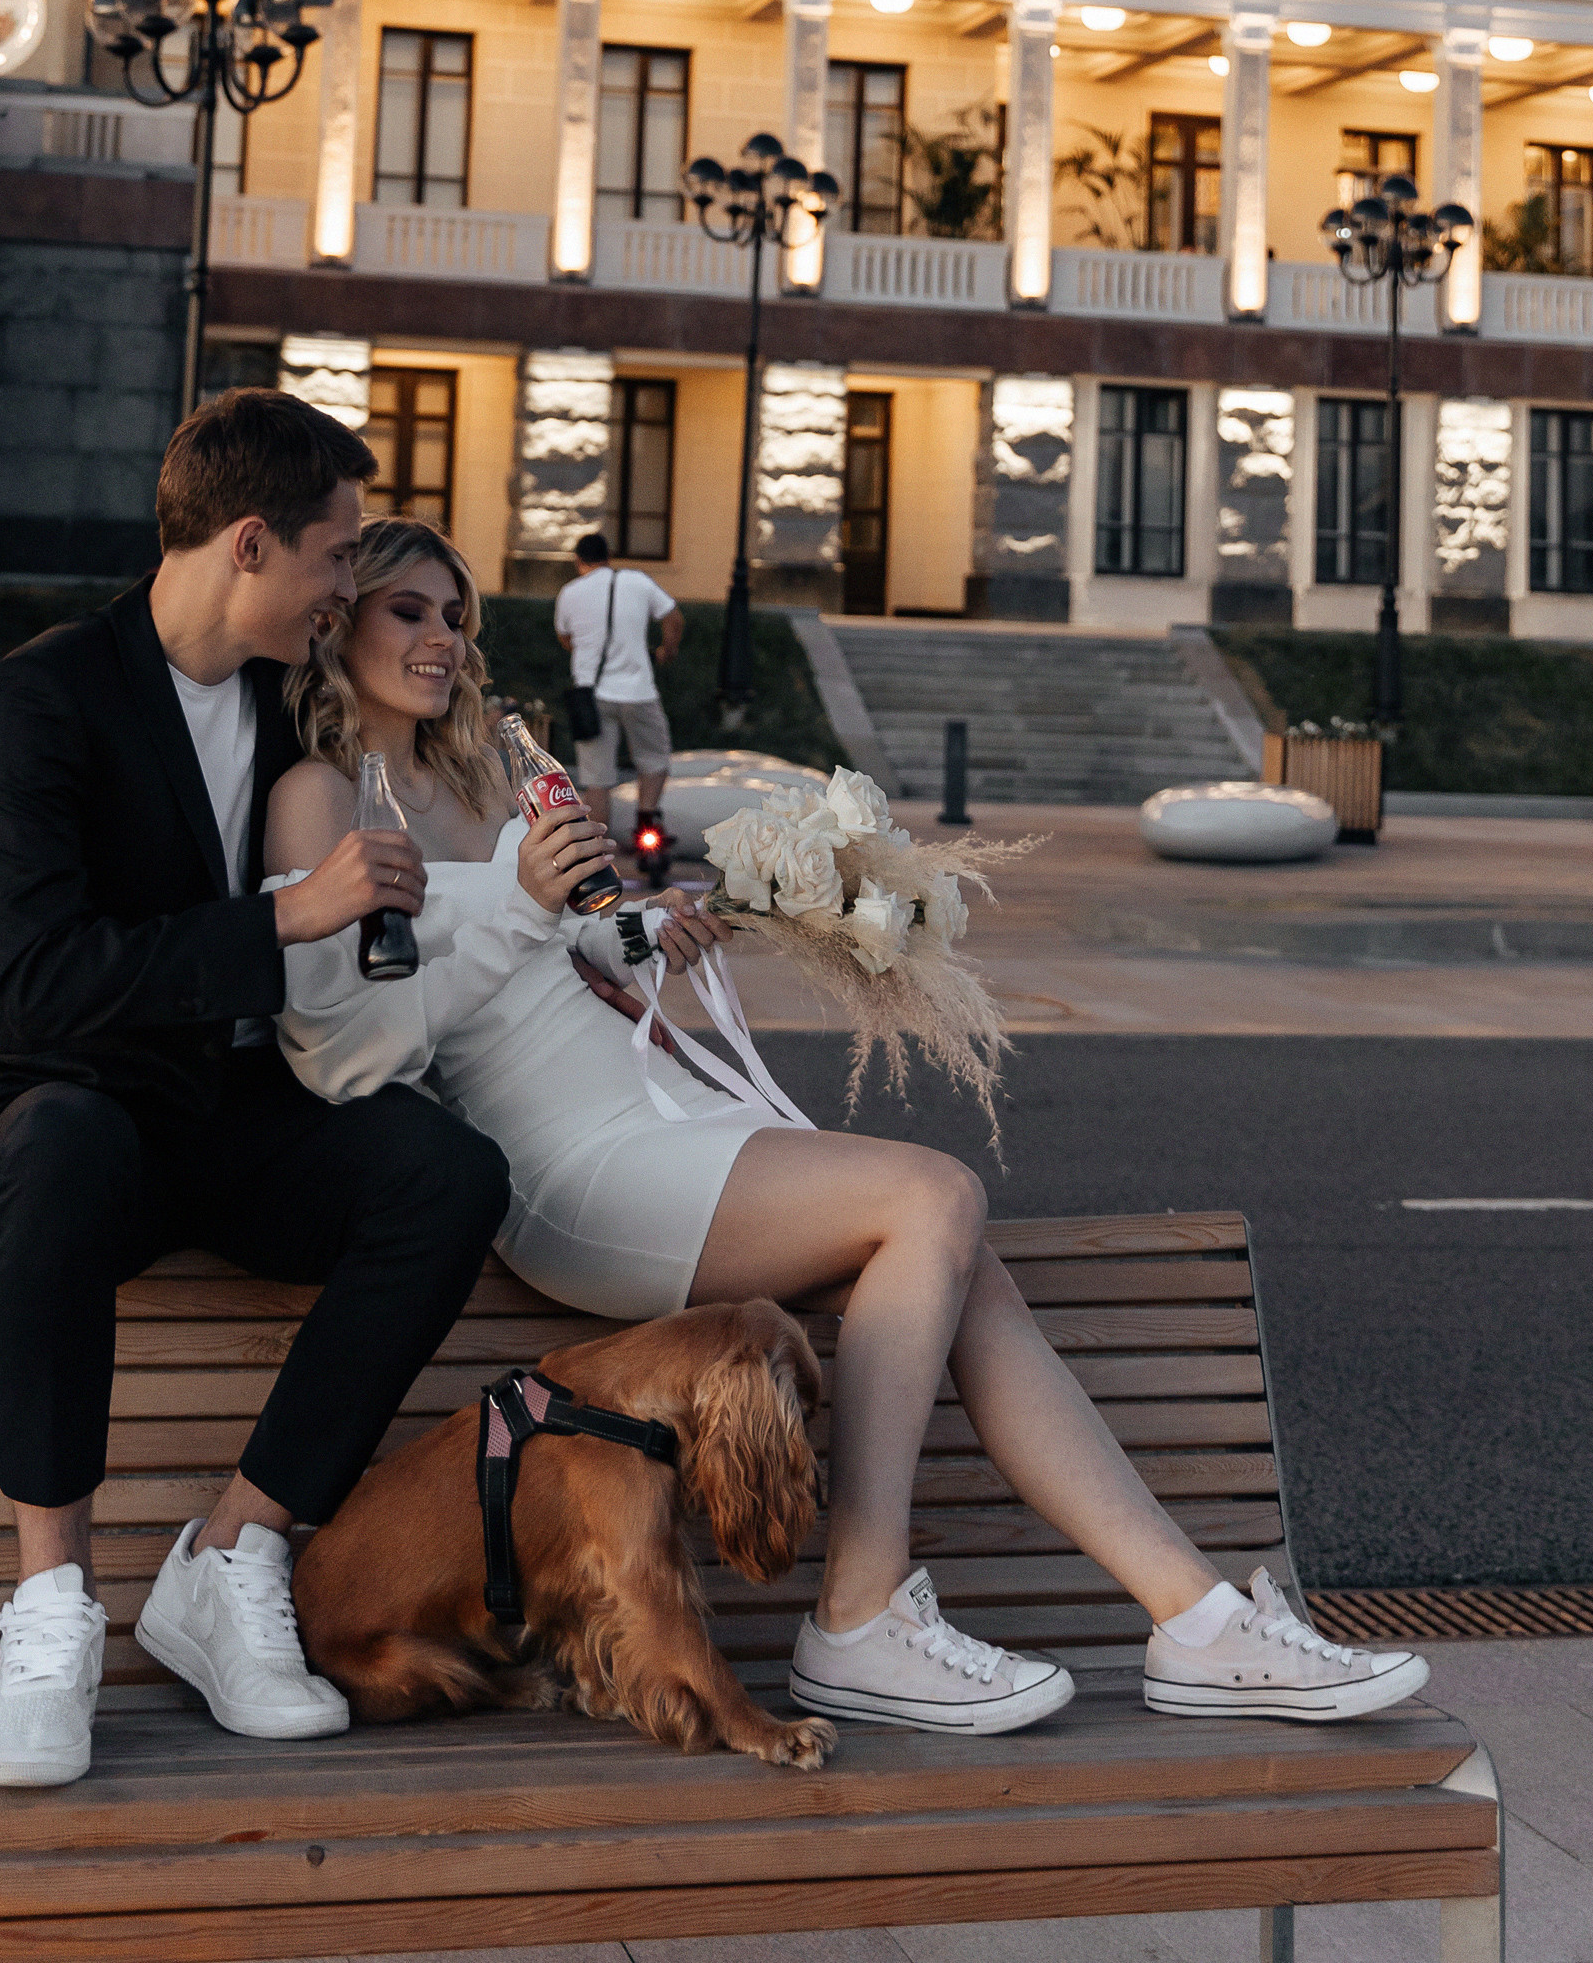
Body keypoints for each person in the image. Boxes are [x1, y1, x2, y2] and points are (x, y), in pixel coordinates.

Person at [265, 520, 1429, 1740]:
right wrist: (516, 903)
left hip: (650, 1107)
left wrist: (643, 928)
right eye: (409, 610)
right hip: (564, 1168)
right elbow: (355, 1050)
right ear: (337, 615)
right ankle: (859, 1617)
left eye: (457, 616)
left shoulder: (492, 777)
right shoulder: (322, 799)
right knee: (933, 1195)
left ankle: (1193, 1620)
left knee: (962, 1267)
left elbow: (547, 957)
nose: (443, 639)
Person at [0, 393, 510, 1792]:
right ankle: (50, 1608)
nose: (347, 587)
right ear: (250, 542)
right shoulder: (45, 693)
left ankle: (235, 1550)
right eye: (338, 555)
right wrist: (289, 917)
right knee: (54, 1137)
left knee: (446, 1170)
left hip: (235, 1118)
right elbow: (35, 983)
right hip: (76, 1114)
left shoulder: (291, 701)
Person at [553, 529, 681, 864]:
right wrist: (667, 650)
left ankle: (597, 851)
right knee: (654, 760)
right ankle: (646, 830)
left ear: (579, 560)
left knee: (597, 777)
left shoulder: (569, 592)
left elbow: (565, 638)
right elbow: (673, 618)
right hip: (639, 691)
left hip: (591, 695)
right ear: (608, 557)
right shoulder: (637, 581)